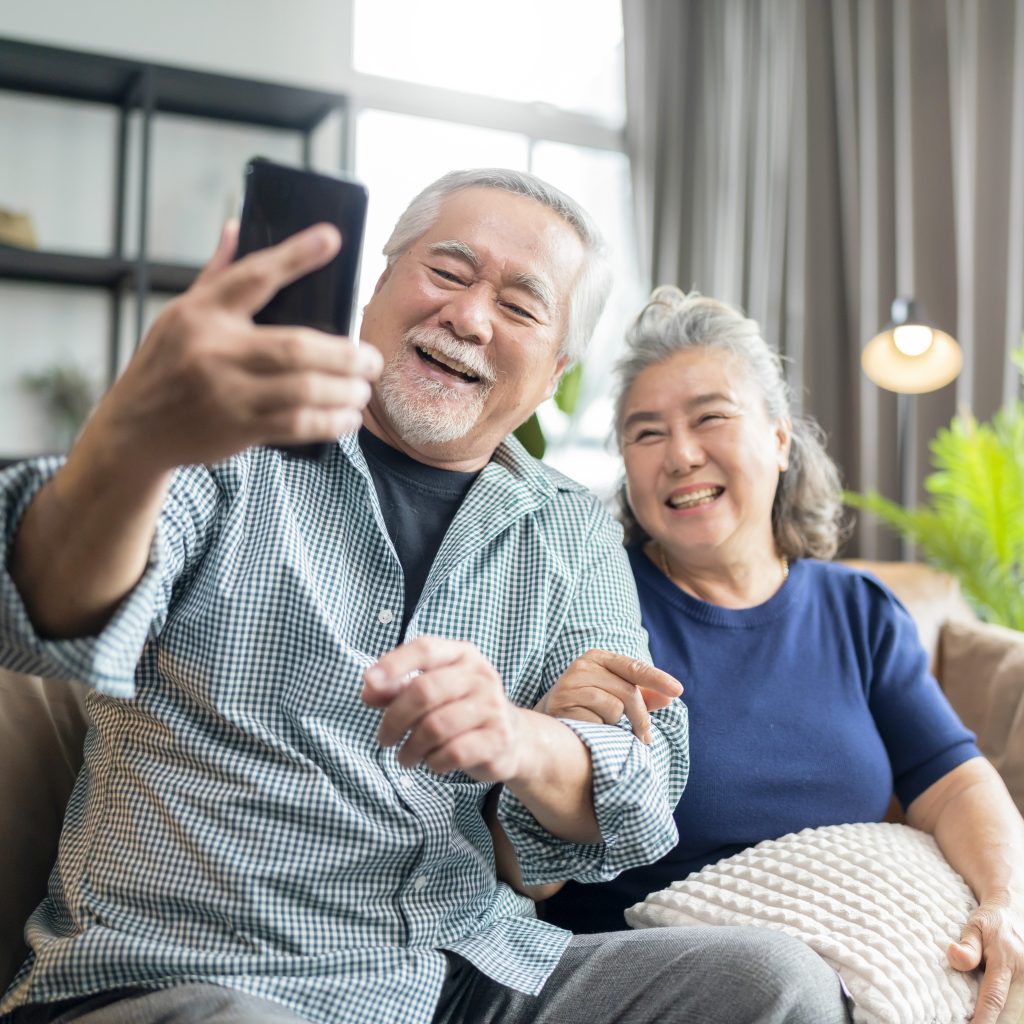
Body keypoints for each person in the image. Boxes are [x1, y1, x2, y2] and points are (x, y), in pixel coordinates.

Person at [0, 175, 852, 1024]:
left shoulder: (567, 531)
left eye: (521, 305)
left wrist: (523, 736)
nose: (472, 318)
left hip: (461, 976)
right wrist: (132, 443)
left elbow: (641, 782)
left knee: (774, 982)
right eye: (448, 273)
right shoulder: (229, 440)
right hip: (204, 976)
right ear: (379, 285)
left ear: (555, 369)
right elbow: (44, 610)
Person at [535, 286, 1024, 1024]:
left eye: (710, 418)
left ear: (780, 438)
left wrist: (1005, 903)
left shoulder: (857, 612)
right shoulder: (593, 608)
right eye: (646, 434)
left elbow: (955, 784)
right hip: (659, 975)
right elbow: (525, 860)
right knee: (787, 980)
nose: (682, 455)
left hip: (850, 966)